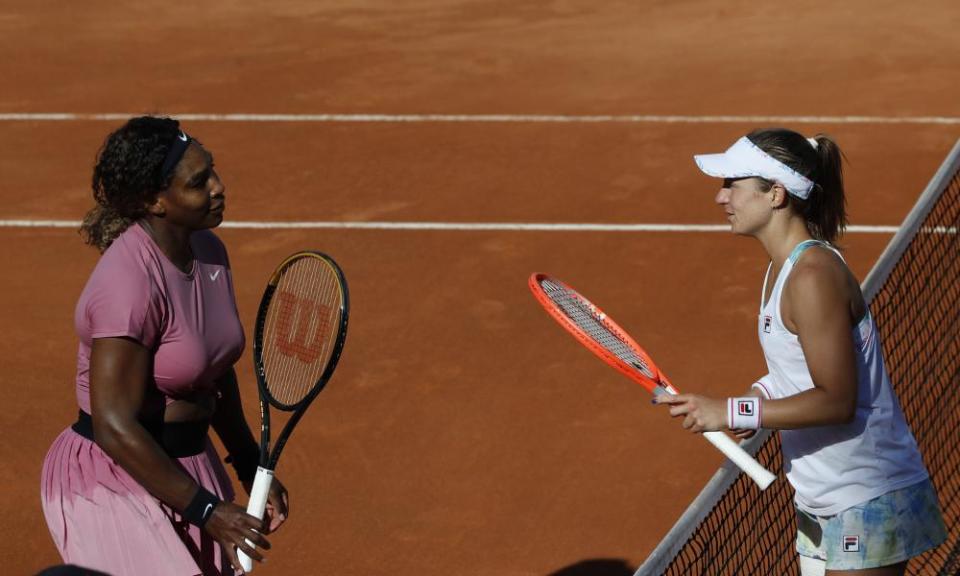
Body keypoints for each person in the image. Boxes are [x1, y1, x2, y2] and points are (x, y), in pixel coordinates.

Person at [654, 128, 946, 575]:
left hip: (865, 493)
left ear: (776, 194)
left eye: (731, 184)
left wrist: (737, 412)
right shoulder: (781, 271)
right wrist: (754, 397)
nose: (721, 197)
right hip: (819, 495)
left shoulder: (812, 276)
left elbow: (836, 399)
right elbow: (794, 371)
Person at [41, 116, 289, 576]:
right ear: (155, 201)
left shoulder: (210, 250)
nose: (218, 186)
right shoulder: (128, 283)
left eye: (212, 170)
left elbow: (212, 369)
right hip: (114, 472)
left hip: (188, 464)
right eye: (199, 182)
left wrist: (250, 464)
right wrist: (209, 511)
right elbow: (114, 426)